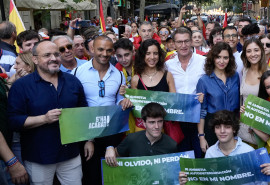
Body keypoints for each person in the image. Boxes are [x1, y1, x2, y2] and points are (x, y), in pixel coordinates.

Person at [7, 40, 90, 185]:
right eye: (47, 55)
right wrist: (44, 119)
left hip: (70, 154)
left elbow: (84, 113)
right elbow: (14, 121)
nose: (54, 58)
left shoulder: (73, 82)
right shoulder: (21, 86)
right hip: (39, 157)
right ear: (35, 59)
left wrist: (89, 140)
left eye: (56, 54)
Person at [73, 35, 132, 185]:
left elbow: (119, 102)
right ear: (92, 49)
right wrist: (88, 139)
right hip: (87, 133)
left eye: (108, 50)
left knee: (111, 177)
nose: (104, 54)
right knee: (91, 176)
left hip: (110, 133)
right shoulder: (78, 72)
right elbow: (77, 106)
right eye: (100, 49)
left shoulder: (118, 75)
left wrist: (124, 101)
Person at [179, 110, 270, 185]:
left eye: (227, 127)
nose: (222, 131)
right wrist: (187, 181)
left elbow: (261, 182)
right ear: (214, 130)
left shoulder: (249, 151)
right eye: (218, 127)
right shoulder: (210, 153)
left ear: (234, 129)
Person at [166, 27, 206, 158]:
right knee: (180, 159)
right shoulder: (168, 65)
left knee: (199, 158)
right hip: (177, 121)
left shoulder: (203, 62)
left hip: (199, 120)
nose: (183, 45)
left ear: (191, 42)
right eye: (179, 42)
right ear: (174, 43)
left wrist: (206, 95)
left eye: (186, 41)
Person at [196, 42, 240, 153]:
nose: (222, 61)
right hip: (213, 126)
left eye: (225, 58)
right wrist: (201, 136)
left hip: (233, 125)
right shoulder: (204, 81)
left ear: (230, 59)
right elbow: (201, 111)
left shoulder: (235, 76)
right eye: (218, 57)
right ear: (213, 58)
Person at [105, 102, 177, 164]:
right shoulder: (131, 139)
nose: (157, 126)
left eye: (160, 121)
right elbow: (115, 155)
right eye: (152, 122)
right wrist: (110, 148)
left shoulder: (171, 144)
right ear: (144, 123)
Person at [238, 38, 269, 145]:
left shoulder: (268, 73)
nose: (253, 54)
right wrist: (240, 108)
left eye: (256, 50)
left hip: (259, 131)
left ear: (261, 51)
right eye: (249, 51)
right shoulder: (244, 70)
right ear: (245, 54)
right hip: (242, 129)